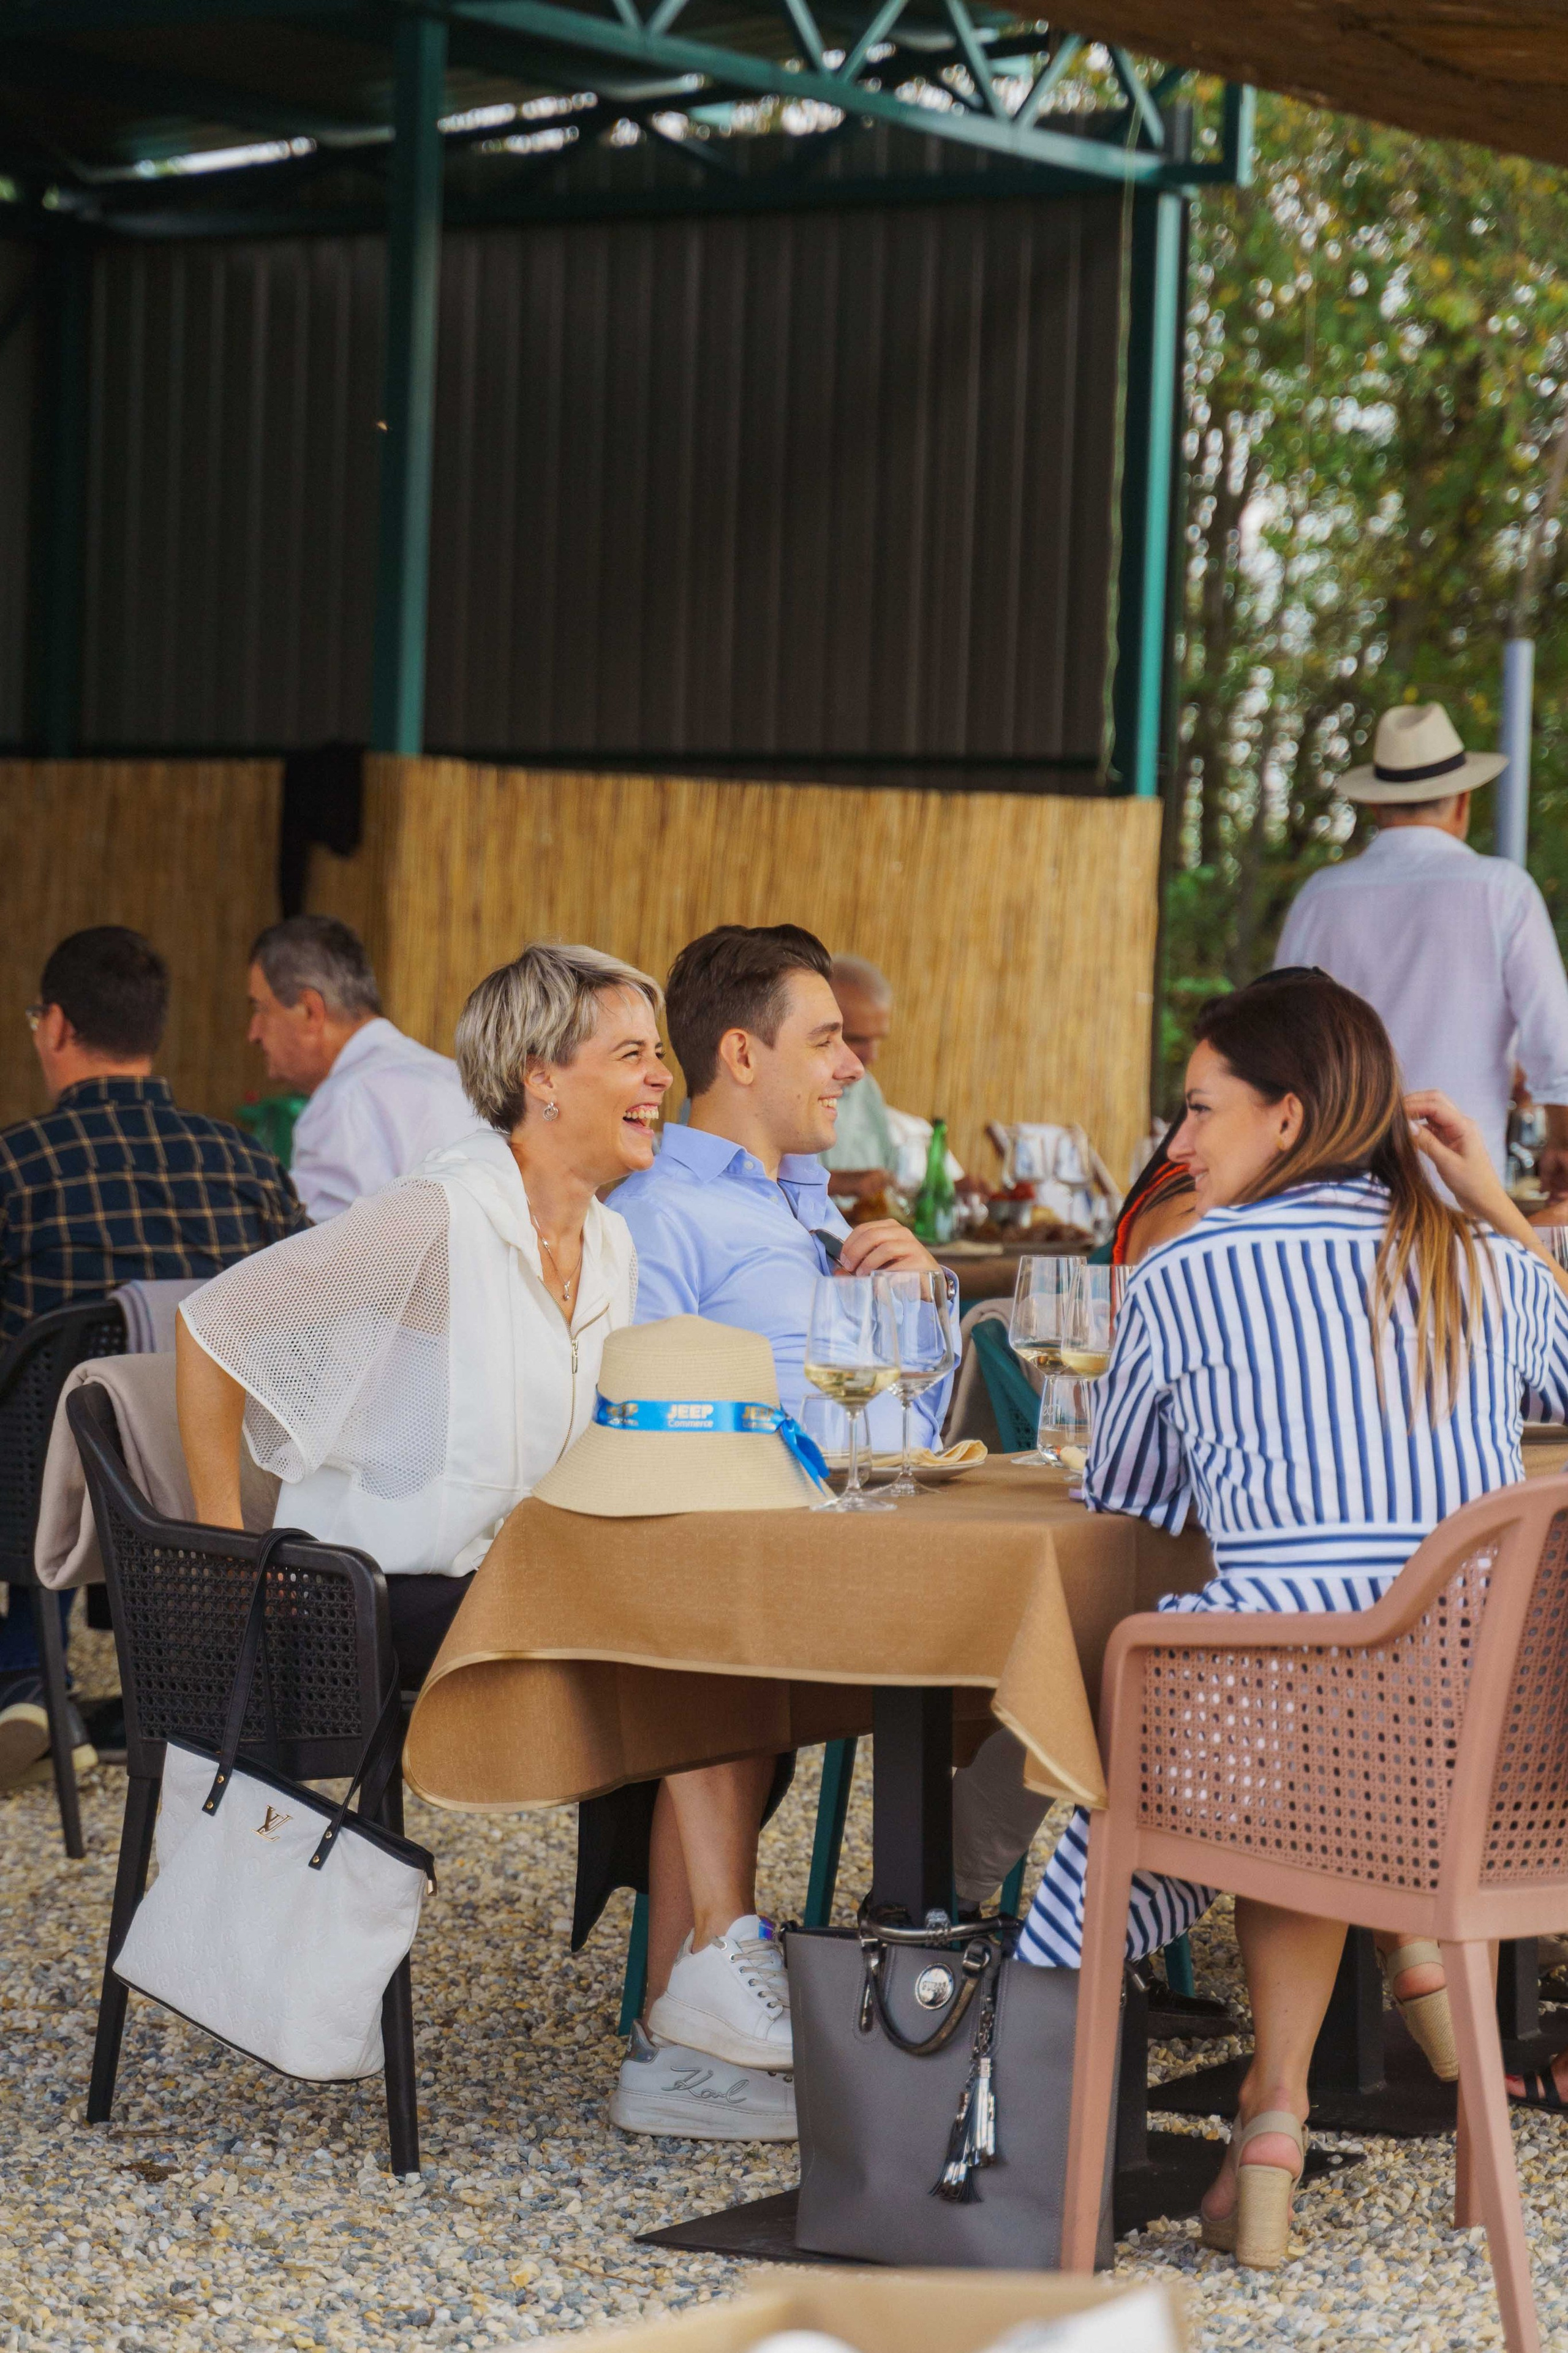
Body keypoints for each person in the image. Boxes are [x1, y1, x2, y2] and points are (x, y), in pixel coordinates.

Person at [176, 942, 796, 2138]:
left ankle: (698, 2006)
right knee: (684, 1644)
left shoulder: (606, 1242)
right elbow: (216, 1330)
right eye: (630, 1054)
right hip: (373, 1590)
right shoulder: (435, 1218)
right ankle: (700, 1998)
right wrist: (216, 1560)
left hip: (513, 1579)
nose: (660, 1079)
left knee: (732, 1634)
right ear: (538, 1077)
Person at [1015, 970, 1568, 2271]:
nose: (1179, 1143)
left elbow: (1131, 1503)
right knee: (1324, 1740)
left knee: (1272, 1721)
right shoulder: (1480, 1263)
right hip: (1482, 1751)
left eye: (1198, 1110)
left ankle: (1259, 2115)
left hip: (1268, 1725)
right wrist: (1493, 1204)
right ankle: (1312, 2070)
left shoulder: (1179, 1272)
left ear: (1287, 1115)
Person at [0, 926, 307, 1792]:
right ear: (153, 1034)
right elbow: (309, 1321)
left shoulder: (15, 1167)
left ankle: (26, 1677)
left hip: (38, 1491)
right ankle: (178, 1690)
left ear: (55, 1026)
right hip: (214, 1481)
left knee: (38, 1413)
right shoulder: (247, 1164)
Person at [613, 923, 952, 1448]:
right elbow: (646, 1436)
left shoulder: (816, 1210)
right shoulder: (656, 1218)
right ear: (743, 1056)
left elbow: (920, 1431)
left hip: (897, 1512)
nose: (854, 1067)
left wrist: (927, 1303)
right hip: (788, 1525)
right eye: (825, 1041)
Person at [1275, 700, 1568, 1190]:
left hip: (1332, 1193)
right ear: (1462, 803)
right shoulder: (1503, 891)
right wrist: (1560, 1143)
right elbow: (1556, 1049)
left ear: (1375, 806)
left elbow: (1275, 1043)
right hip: (1461, 1198)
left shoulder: (1319, 898)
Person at [246, 915, 476, 1222]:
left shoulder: (346, 1099)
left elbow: (322, 1256)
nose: (253, 1033)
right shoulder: (457, 1079)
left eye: (262, 1009)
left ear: (311, 1011)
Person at [821, 953, 963, 1201]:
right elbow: (760, 1184)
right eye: (856, 1039)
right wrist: (844, 1183)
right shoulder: (785, 1087)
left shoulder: (866, 1089)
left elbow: (888, 1177)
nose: (871, 1056)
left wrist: (949, 1188)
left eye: (877, 1040)